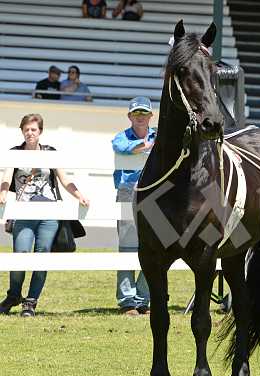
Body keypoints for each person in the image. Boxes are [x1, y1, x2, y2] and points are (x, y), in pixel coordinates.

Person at [0, 114, 90, 317]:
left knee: (42, 256)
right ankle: (13, 295)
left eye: (34, 129)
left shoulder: (50, 152)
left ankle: (30, 303)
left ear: (40, 131)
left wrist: (79, 196)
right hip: (23, 211)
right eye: (26, 129)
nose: (30, 133)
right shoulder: (15, 153)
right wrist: (3, 193)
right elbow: (6, 177)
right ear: (22, 131)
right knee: (20, 255)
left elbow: (64, 179)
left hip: (50, 213)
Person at [111, 97, 156, 316]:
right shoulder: (122, 136)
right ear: (130, 116)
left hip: (156, 193)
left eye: (144, 113)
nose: (140, 116)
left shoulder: (158, 136)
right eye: (136, 113)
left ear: (151, 116)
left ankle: (143, 299)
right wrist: (143, 147)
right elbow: (119, 146)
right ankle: (127, 301)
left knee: (154, 247)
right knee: (128, 246)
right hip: (128, 191)